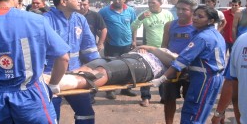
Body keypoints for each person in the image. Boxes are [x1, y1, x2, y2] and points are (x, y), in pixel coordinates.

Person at [153, 5, 226, 124]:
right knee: (201, 112)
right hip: (212, 78)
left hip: (204, 79)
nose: (195, 18)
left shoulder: (202, 38)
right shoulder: (213, 34)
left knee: (192, 112)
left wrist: (162, 78)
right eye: (195, 15)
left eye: (200, 16)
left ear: (211, 20)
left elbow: (181, 61)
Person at [44, 0, 100, 124]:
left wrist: (97, 66)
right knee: (52, 115)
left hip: (75, 73)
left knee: (85, 110)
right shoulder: (46, 20)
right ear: (63, 1)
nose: (80, 1)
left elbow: (89, 47)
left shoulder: (80, 19)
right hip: (50, 75)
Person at [155, 0, 197, 124]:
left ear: (192, 11)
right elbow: (164, 47)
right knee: (169, 99)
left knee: (189, 100)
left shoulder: (197, 27)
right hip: (171, 68)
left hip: (191, 69)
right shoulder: (170, 25)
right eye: (178, 8)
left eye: (184, 9)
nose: (180, 12)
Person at [44, 46, 178, 91]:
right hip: (128, 57)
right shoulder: (164, 50)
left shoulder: (178, 58)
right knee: (90, 66)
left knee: (102, 73)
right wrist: (146, 48)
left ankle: (56, 82)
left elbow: (172, 61)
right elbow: (139, 47)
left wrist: (152, 49)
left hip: (145, 67)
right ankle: (55, 78)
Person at [131, 0, 173, 107]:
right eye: (149, 2)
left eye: (153, 2)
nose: (150, 5)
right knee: (146, 74)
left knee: (164, 74)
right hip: (149, 49)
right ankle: (145, 97)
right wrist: (140, 18)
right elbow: (133, 28)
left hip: (164, 49)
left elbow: (173, 29)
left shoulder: (167, 14)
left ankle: (163, 97)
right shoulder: (144, 15)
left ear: (160, 3)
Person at [99, 0, 137, 99]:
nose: (117, 1)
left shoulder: (130, 10)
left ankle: (126, 89)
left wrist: (134, 41)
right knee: (111, 67)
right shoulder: (104, 11)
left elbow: (134, 26)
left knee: (129, 66)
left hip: (127, 45)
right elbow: (98, 26)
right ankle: (110, 90)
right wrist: (104, 37)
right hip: (112, 45)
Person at [78, 0, 107, 104]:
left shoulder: (95, 16)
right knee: (77, 72)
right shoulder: (72, 15)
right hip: (76, 52)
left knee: (92, 73)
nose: (82, 7)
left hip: (90, 52)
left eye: (84, 4)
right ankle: (78, 95)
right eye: (80, 4)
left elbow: (103, 29)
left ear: (88, 4)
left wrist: (100, 44)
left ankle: (91, 95)